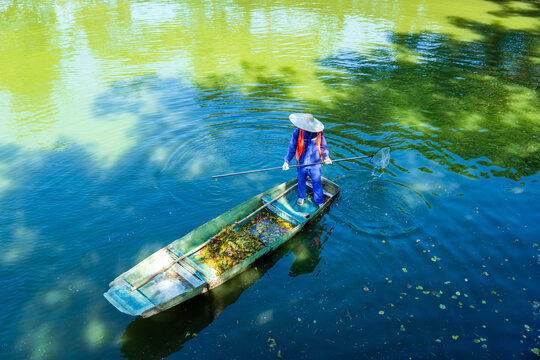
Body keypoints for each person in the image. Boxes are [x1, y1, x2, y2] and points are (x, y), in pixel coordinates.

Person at [282, 113, 332, 207]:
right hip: (301, 163)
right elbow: (292, 147)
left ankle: (319, 201)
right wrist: (286, 161)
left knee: (316, 181)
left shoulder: (318, 132)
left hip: (315, 162)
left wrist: (326, 157)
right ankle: (302, 196)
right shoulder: (297, 132)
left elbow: (323, 146)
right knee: (301, 180)